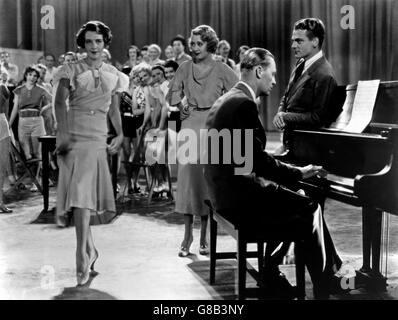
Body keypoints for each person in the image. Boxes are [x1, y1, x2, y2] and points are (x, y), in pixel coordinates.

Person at [204, 47, 345, 299]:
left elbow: (245, 159)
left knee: (295, 196)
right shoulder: (244, 105)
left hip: (222, 191)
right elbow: (257, 162)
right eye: (273, 73)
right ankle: (325, 285)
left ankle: (273, 269)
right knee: (310, 207)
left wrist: (286, 173)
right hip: (238, 198)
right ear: (259, 71)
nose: (275, 80)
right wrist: (298, 172)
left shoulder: (228, 99)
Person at [53, 20, 126, 286]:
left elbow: (114, 109)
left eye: (98, 41)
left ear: (105, 43)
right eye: (89, 41)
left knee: (83, 194)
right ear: (82, 44)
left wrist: (118, 133)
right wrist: (62, 133)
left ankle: (88, 249)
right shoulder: (70, 69)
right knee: (81, 194)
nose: (93, 46)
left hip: (98, 136)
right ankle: (82, 253)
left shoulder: (115, 74)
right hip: (75, 134)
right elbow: (59, 103)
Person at [166, 25, 238, 257]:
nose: (194, 48)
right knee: (188, 184)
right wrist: (185, 107)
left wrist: (222, 111)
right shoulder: (185, 67)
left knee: (208, 182)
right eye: (192, 43)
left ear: (210, 45)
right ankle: (187, 236)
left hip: (213, 128)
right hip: (189, 127)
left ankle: (205, 237)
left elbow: (239, 93)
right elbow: (173, 94)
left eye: (199, 43)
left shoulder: (222, 68)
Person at [273, 18, 339, 151]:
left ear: (315, 41)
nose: (293, 46)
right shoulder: (300, 64)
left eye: (299, 41)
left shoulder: (325, 75)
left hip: (307, 149)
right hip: (291, 143)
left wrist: (285, 116)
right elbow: (287, 96)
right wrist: (280, 113)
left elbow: (318, 118)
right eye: (293, 40)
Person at [9, 66, 51, 164]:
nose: (32, 77)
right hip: (23, 122)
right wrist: (9, 124)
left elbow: (54, 100)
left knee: (37, 152)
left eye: (35, 76)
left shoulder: (41, 89)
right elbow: (15, 108)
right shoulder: (19, 90)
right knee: (27, 154)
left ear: (37, 78)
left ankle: (41, 177)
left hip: (37, 122)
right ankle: (32, 176)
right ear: (26, 75)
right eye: (30, 75)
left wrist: (44, 108)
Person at [0, 77, 12, 213]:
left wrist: (10, 132)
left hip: (2, 125)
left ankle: (0, 202)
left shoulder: (3, 88)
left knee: (1, 167)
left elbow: (7, 112)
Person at [163, 60, 181, 132]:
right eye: (166, 72)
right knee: (172, 141)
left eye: (171, 72)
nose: (168, 75)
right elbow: (165, 103)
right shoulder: (166, 85)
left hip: (184, 118)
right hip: (171, 117)